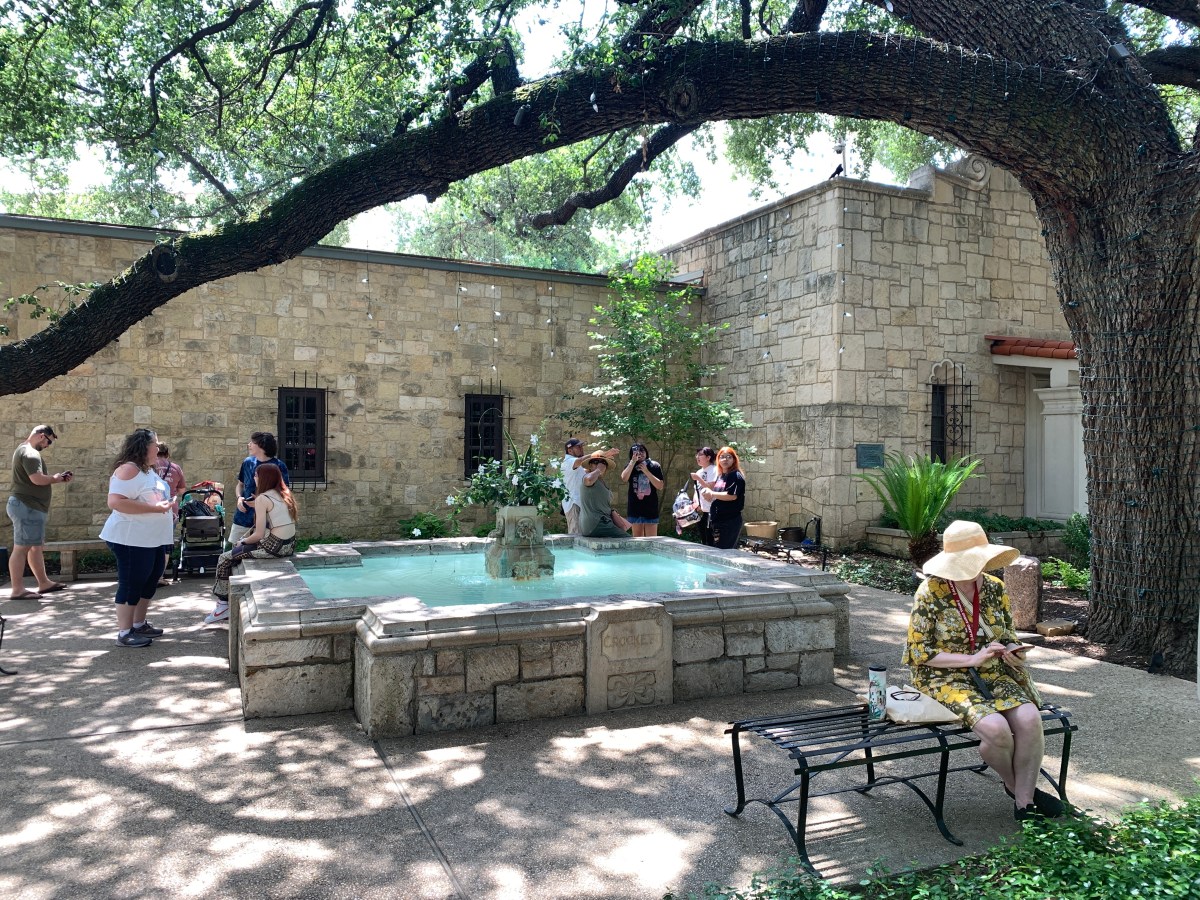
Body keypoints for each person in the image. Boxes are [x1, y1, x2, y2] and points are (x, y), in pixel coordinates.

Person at [904, 520, 1064, 822]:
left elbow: (1006, 634)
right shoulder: (931, 592)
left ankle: (1023, 805)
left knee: (1029, 719)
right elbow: (919, 654)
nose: (977, 567)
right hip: (943, 675)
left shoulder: (994, 588)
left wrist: (1014, 652)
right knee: (996, 731)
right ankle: (1019, 790)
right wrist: (972, 659)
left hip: (992, 668)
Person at [99, 429, 175, 647]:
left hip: (152, 539)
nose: (158, 448)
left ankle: (139, 623)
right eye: (155, 444)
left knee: (150, 580)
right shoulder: (128, 469)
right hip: (130, 539)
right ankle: (124, 632)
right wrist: (154, 507)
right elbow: (116, 502)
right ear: (144, 446)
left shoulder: (147, 471)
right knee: (132, 582)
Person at [205, 463, 298, 624]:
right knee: (242, 545)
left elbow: (259, 534)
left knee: (224, 559)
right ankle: (223, 605)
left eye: (256, 475)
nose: (254, 477)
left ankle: (222, 606)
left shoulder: (263, 498)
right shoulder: (283, 493)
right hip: (289, 544)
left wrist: (243, 541)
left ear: (263, 478)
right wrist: (258, 505)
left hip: (274, 547)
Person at [7, 425, 74, 598]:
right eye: (48, 442)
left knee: (35, 547)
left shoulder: (23, 449)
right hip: (27, 507)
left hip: (30, 507)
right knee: (21, 548)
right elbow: (36, 479)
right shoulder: (30, 453)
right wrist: (56, 479)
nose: (47, 446)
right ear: (42, 436)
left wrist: (55, 479)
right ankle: (17, 589)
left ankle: (43, 583)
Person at [228, 431, 290, 548]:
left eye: (252, 442)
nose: (249, 444)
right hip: (243, 517)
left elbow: (284, 494)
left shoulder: (279, 466)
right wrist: (239, 497)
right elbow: (240, 485)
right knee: (236, 551)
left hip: (267, 520)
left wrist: (261, 502)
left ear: (261, 445)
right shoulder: (247, 462)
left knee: (262, 554)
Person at [560, 439, 619, 535]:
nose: (581, 448)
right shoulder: (568, 462)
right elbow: (580, 461)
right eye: (578, 447)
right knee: (576, 536)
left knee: (582, 537)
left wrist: (603, 458)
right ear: (570, 450)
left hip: (581, 505)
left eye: (582, 446)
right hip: (574, 504)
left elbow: (589, 471)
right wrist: (602, 454)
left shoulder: (578, 466)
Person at [153, 443, 186, 586]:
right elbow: (182, 490)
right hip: (170, 510)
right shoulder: (175, 468)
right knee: (165, 543)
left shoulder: (149, 466)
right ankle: (159, 577)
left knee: (149, 542)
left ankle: (147, 575)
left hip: (150, 508)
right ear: (167, 454)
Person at [578, 452, 632, 538]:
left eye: (603, 463)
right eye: (596, 462)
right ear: (590, 466)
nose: (600, 465)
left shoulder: (601, 482)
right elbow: (589, 480)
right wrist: (598, 470)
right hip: (597, 523)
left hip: (603, 522)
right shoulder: (587, 477)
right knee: (628, 540)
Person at [702, 447, 746, 549]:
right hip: (717, 521)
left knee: (725, 552)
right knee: (715, 550)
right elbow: (718, 495)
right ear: (718, 460)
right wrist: (708, 495)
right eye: (722, 457)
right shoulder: (721, 476)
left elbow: (732, 496)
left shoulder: (735, 476)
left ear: (734, 460)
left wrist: (712, 494)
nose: (725, 459)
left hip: (729, 521)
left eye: (728, 457)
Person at [620, 442, 664, 537]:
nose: (640, 453)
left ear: (646, 452)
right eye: (636, 451)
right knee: (637, 541)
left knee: (651, 540)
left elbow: (660, 486)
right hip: (635, 508)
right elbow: (624, 478)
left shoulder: (654, 466)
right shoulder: (630, 466)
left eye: (642, 450)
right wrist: (632, 462)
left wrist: (646, 471)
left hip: (650, 508)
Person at [689, 446, 719, 546]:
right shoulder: (699, 471)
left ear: (708, 457)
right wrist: (695, 503)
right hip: (701, 511)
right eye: (696, 455)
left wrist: (698, 478)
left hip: (711, 510)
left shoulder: (714, 470)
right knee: (703, 539)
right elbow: (696, 490)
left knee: (711, 539)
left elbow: (711, 487)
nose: (697, 457)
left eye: (700, 455)